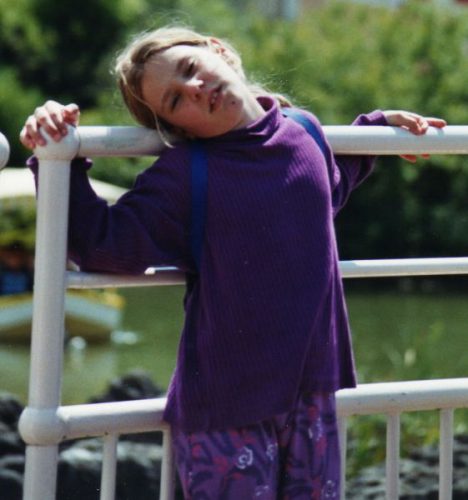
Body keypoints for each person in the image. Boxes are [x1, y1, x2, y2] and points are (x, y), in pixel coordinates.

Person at [20, 26, 446, 499]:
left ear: (220, 52)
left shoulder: (305, 131)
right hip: (225, 410)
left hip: (314, 393)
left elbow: (325, 186)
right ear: (180, 128)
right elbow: (105, 244)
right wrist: (59, 157)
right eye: (176, 100)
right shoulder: (187, 174)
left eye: (190, 68)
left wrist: (375, 131)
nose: (195, 89)